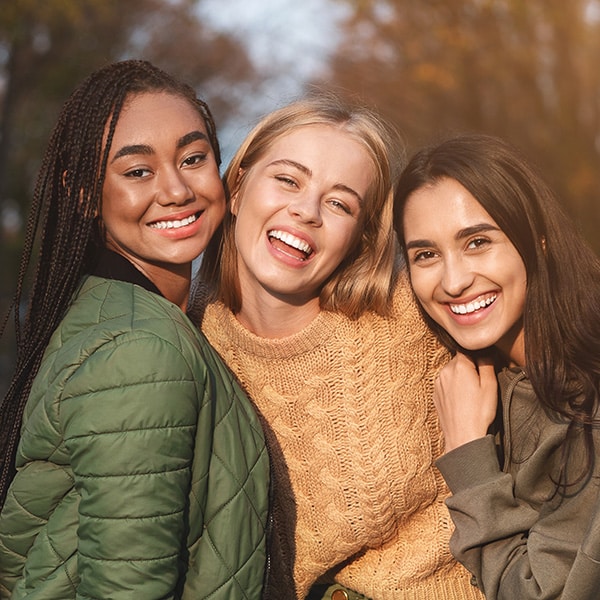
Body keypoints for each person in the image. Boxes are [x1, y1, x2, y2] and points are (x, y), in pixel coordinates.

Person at [191, 95, 483, 599]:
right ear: (236, 188)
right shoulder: (191, 351)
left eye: (340, 203)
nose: (305, 211)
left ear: (362, 237)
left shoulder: (411, 316)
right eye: (288, 179)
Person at [0, 59, 269, 599]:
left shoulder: (108, 313)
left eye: (193, 159)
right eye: (137, 171)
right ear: (83, 194)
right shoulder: (141, 350)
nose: (176, 190)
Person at [394, 132, 600, 600]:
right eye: (425, 254)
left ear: (538, 241)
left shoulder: (589, 400)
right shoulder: (488, 377)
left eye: (477, 242)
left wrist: (467, 453)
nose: (453, 280)